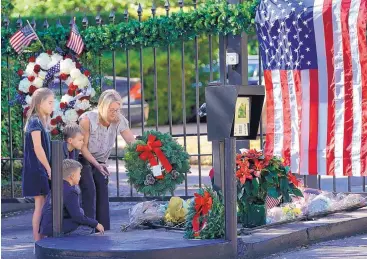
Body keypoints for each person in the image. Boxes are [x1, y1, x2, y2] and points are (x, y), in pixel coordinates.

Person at [78, 89, 135, 231]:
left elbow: (131, 142)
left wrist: (147, 153)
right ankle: (88, 228)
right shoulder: (87, 120)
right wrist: (96, 165)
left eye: (117, 109)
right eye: (111, 110)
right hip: (83, 158)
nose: (115, 113)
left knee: (102, 187)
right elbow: (82, 148)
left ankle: (103, 229)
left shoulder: (119, 120)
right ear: (102, 107)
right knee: (89, 188)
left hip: (100, 160)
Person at [39, 159, 105, 237]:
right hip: (54, 228)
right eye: (79, 174)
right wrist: (96, 223)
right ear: (72, 176)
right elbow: (77, 217)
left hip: (47, 226)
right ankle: (68, 243)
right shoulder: (71, 191)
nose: (80, 176)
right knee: (87, 228)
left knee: (81, 211)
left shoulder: (57, 186)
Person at [22, 88, 54, 242]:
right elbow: (37, 147)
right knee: (40, 206)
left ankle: (41, 237)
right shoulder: (35, 121)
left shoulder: (40, 121)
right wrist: (48, 168)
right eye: (50, 102)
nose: (52, 106)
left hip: (40, 169)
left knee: (41, 205)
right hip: (37, 169)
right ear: (40, 103)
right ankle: (38, 240)